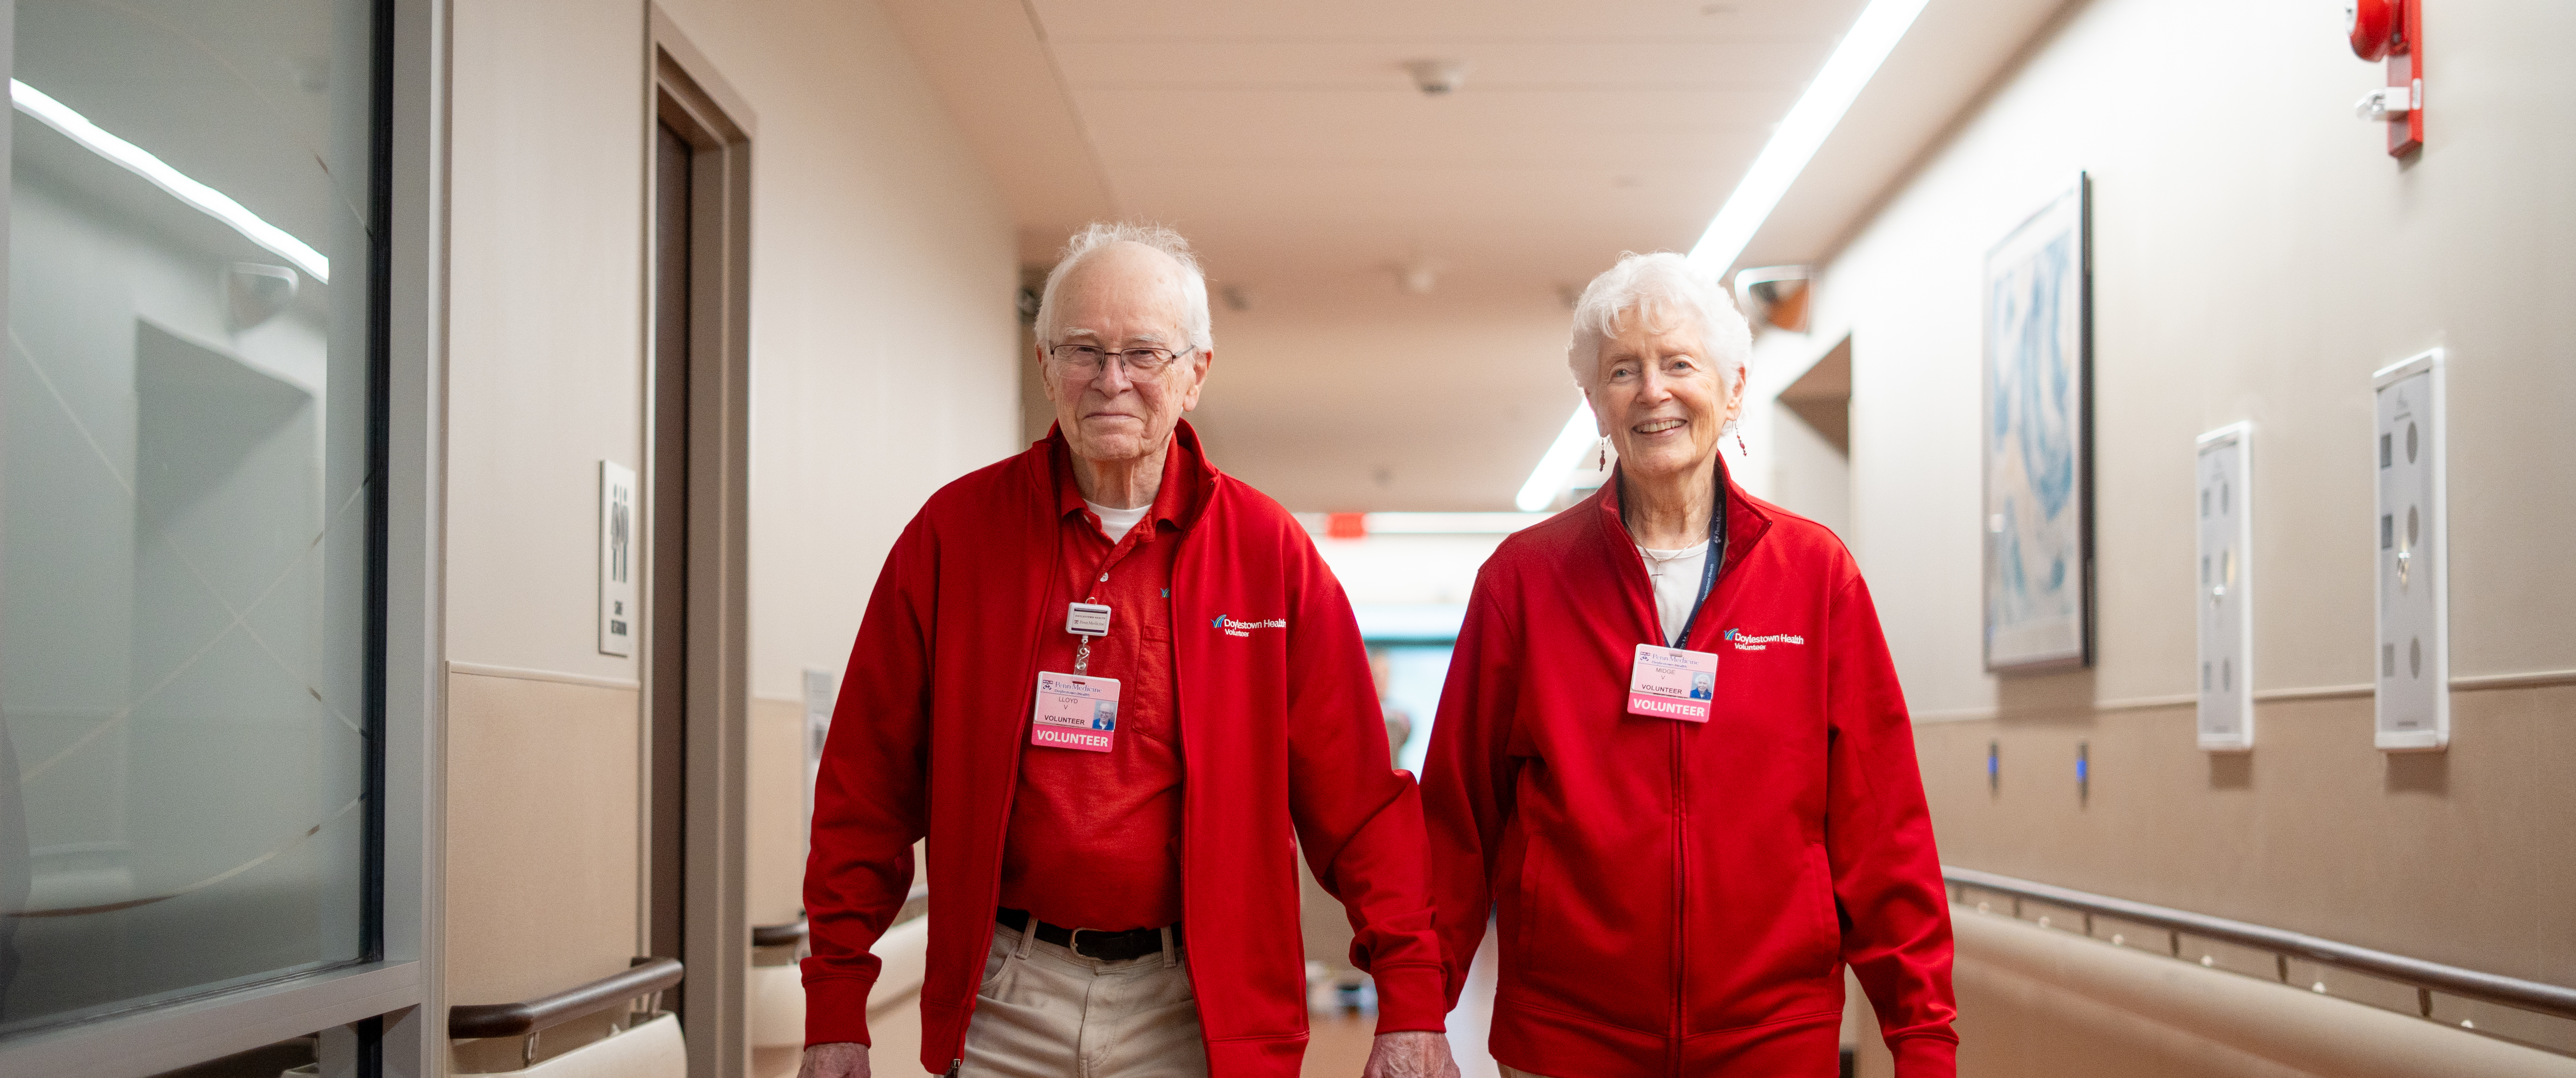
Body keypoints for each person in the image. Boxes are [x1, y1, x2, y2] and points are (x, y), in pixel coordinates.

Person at [799, 223, 1461, 1078]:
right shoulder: (954, 539)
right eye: (1084, 349)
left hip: (1200, 1005)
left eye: (1144, 352)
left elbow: (1361, 803)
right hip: (1005, 996)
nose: (1112, 380)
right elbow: (866, 784)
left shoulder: (1268, 555)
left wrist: (1411, 999)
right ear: (1046, 366)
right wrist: (835, 1008)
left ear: (1195, 373)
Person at [1419, 253, 1957, 1076]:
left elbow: (1883, 827)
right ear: (1595, 403)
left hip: (1770, 1040)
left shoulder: (1815, 576)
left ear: (1733, 388)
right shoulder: (1524, 583)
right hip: (1570, 1041)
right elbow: (1456, 817)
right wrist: (1418, 1011)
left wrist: (1921, 1038)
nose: (1652, 391)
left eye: (1679, 364)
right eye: (1623, 371)